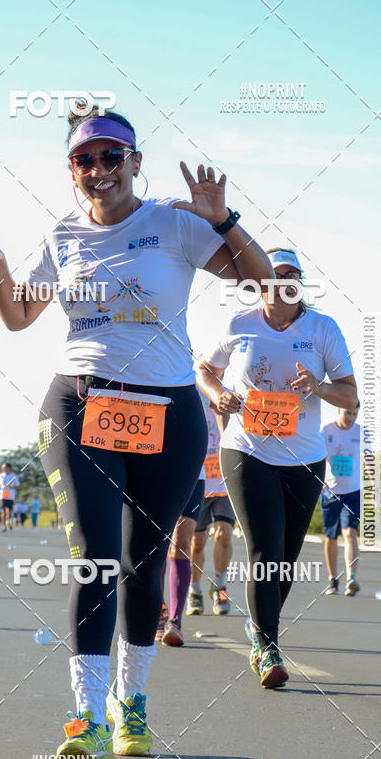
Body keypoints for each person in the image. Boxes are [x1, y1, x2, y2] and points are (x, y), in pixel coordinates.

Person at [0, 106, 274, 759]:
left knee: (143, 563)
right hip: (80, 403)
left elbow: (260, 281)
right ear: (73, 170)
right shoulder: (61, 235)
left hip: (169, 409)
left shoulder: (174, 223)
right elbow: (17, 317)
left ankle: (133, 705)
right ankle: (87, 716)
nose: (99, 169)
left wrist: (224, 220)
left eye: (111, 156)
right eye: (84, 159)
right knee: (96, 557)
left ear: (135, 163)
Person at [198, 246, 357, 689]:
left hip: (304, 458)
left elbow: (351, 396)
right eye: (274, 273)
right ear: (258, 281)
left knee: (285, 560)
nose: (282, 281)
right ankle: (267, 648)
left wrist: (320, 387)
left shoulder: (323, 329)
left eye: (292, 275)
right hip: (246, 450)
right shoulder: (239, 325)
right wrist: (218, 395)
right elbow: (205, 370)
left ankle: (258, 623)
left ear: (300, 283)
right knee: (265, 551)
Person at [188, 395, 235, 616]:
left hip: (225, 485)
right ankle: (194, 589)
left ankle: (220, 586)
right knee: (197, 543)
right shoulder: (195, 401)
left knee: (223, 535)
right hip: (199, 482)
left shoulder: (232, 401)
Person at [158, 472, 206, 646]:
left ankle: (175, 620)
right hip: (153, 468)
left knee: (181, 543)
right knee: (158, 542)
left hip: (191, 472)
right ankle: (158, 610)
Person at [321, 405, 362, 596]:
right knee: (331, 537)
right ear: (338, 410)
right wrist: (318, 483)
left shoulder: (361, 432)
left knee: (350, 533)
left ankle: (351, 578)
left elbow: (368, 459)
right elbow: (318, 458)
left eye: (354, 414)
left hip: (353, 491)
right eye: (348, 413)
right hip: (330, 492)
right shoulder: (326, 430)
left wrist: (374, 488)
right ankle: (332, 579)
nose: (351, 417)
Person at [0, 463, 19, 532]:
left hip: (10, 496)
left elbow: (18, 486)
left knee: (9, 512)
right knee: (3, 511)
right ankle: (4, 526)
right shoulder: (0, 476)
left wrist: (11, 487)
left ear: (8, 468)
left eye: (4, 467)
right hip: (2, 496)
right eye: (2, 468)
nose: (3, 469)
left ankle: (8, 522)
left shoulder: (13, 476)